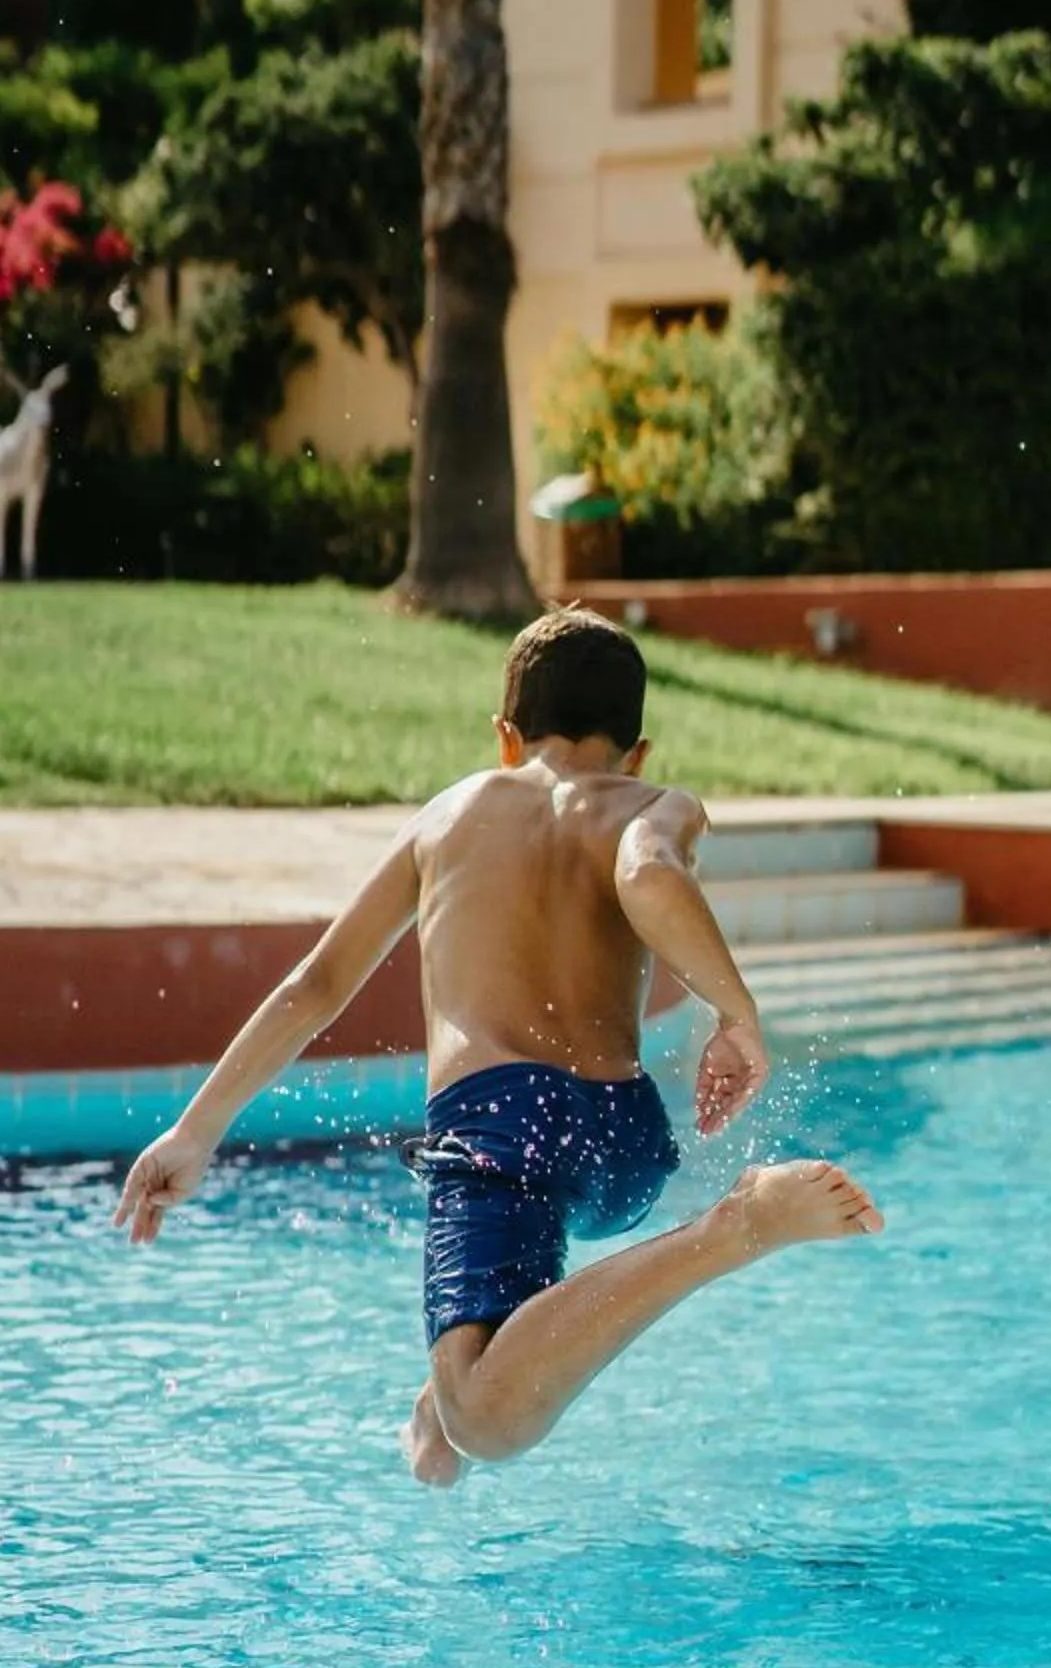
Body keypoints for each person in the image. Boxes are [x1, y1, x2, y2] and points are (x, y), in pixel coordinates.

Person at [113, 604, 885, 1487]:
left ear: (506, 738)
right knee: (470, 1386)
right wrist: (735, 1014)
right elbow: (649, 874)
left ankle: (733, 1227)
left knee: (483, 1419)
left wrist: (195, 1132)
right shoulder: (653, 803)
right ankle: (456, 1374)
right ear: (637, 753)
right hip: (624, 1144)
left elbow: (314, 989)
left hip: (503, 1131)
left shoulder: (447, 816)